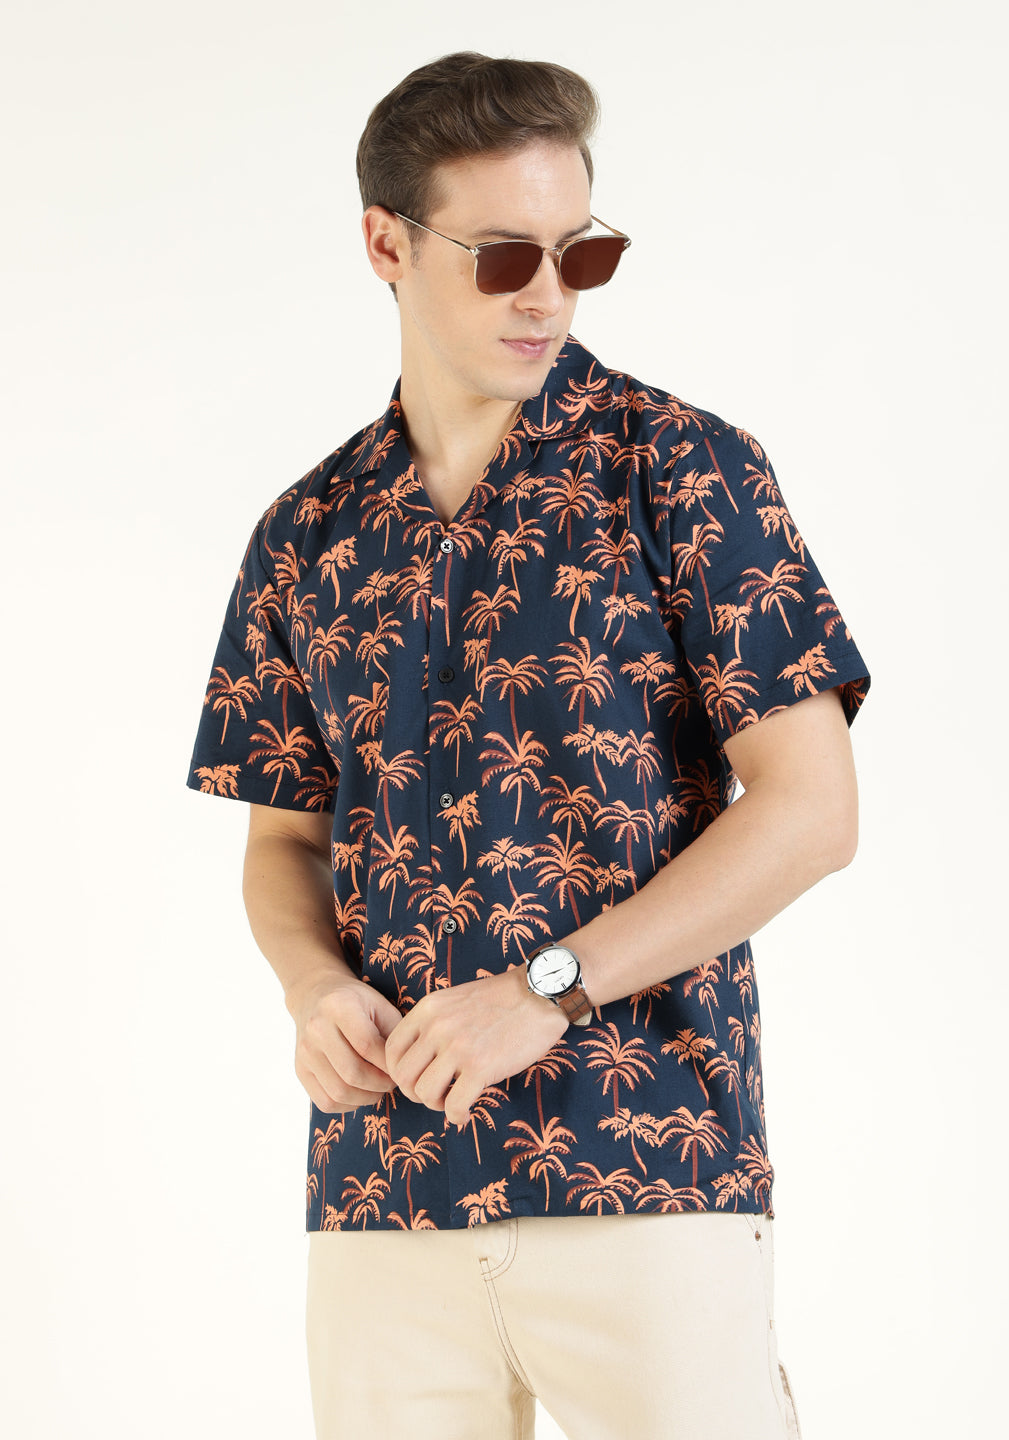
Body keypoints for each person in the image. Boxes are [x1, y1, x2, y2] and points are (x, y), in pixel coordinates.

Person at [188, 51, 869, 1440]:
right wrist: (311, 990)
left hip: (647, 1174)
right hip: (384, 1195)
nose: (548, 295)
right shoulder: (307, 532)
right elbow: (284, 842)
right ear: (386, 244)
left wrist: (543, 991)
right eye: (503, 256)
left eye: (581, 253)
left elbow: (811, 810)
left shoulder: (682, 467)